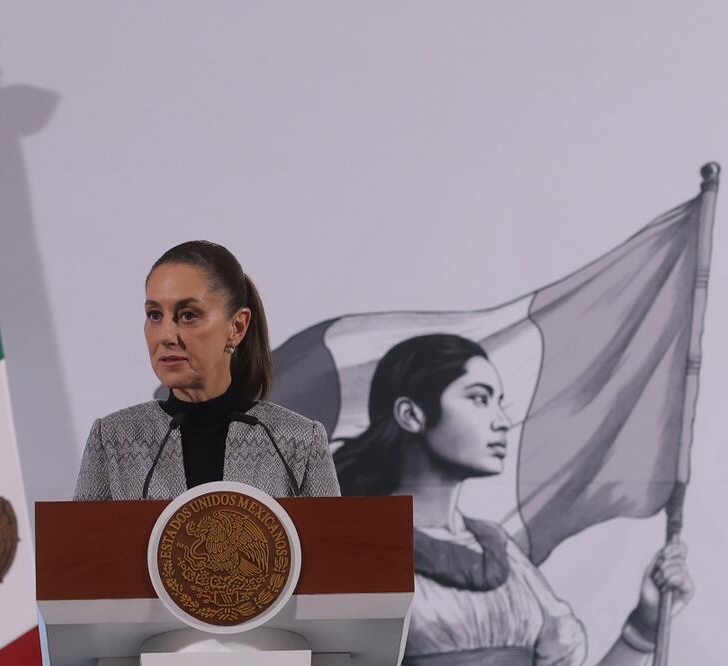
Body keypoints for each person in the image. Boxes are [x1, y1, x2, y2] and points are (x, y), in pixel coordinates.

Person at [333, 334, 693, 666]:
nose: (502, 421)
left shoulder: (501, 551)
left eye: (499, 402)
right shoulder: (351, 545)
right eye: (479, 398)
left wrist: (644, 626)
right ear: (412, 415)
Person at [73, 240, 340, 501]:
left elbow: (333, 545)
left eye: (188, 315)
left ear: (236, 327)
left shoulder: (298, 442)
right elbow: (78, 545)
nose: (166, 335)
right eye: (155, 315)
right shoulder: (112, 439)